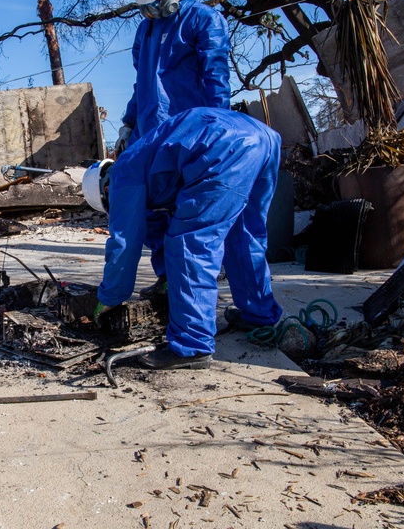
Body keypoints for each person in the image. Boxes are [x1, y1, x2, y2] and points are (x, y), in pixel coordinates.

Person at [83, 107, 283, 370]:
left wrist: (109, 298)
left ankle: (192, 345)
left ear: (104, 189)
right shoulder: (145, 160)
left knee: (189, 244)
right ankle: (259, 314)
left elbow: (124, 243)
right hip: (264, 138)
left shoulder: (123, 173)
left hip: (221, 144)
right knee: (244, 235)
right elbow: (156, 222)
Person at [118, 0, 232, 291]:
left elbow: (216, 79)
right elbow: (143, 84)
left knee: (192, 208)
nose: (152, 9)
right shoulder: (145, 31)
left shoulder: (204, 20)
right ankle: (168, 277)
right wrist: (128, 122)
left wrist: (221, 127)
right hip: (150, 134)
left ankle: (204, 272)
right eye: (146, 4)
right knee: (150, 208)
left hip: (191, 132)